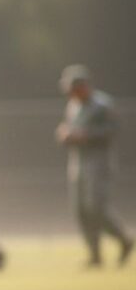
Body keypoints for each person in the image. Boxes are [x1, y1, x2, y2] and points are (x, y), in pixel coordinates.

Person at [55, 64, 133, 268]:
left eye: (73, 88)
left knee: (95, 208)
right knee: (80, 210)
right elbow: (69, 127)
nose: (70, 93)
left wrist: (87, 136)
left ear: (83, 86)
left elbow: (114, 130)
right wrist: (65, 134)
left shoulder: (102, 105)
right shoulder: (73, 106)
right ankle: (94, 254)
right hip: (77, 164)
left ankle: (123, 239)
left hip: (99, 164)